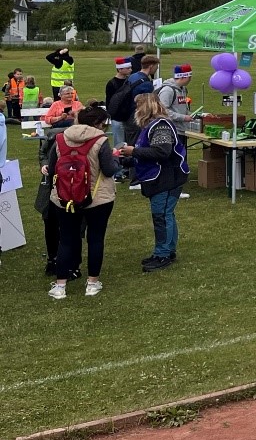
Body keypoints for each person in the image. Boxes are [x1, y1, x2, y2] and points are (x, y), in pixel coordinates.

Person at [45, 104, 122, 300]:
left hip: (64, 197)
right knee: (95, 239)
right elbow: (109, 169)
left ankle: (60, 285)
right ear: (97, 124)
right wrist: (116, 159)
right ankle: (92, 283)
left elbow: (53, 168)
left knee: (67, 239)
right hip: (98, 198)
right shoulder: (100, 141)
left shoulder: (61, 138)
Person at [118, 93, 189, 271]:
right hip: (163, 177)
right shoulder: (152, 126)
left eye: (138, 106)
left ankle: (163, 254)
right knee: (166, 215)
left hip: (166, 178)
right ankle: (167, 250)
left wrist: (133, 151)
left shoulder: (161, 126)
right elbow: (146, 153)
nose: (136, 110)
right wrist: (124, 158)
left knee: (161, 216)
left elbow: (161, 152)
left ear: (146, 107)